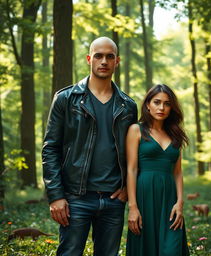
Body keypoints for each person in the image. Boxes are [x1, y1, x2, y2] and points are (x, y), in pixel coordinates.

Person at [42, 36, 137, 256]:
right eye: (99, 56)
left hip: (113, 200)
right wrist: (56, 195)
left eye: (109, 56)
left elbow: (133, 154)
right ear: (89, 59)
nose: (104, 61)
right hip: (76, 197)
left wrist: (126, 189)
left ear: (117, 61)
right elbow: (50, 148)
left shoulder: (128, 106)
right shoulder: (66, 99)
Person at [125, 84, 189, 256]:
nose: (161, 107)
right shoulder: (136, 130)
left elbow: (177, 172)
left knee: (172, 249)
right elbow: (131, 170)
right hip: (144, 197)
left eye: (167, 104)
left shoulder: (175, 134)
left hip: (170, 200)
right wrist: (133, 207)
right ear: (147, 104)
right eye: (157, 102)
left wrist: (180, 203)